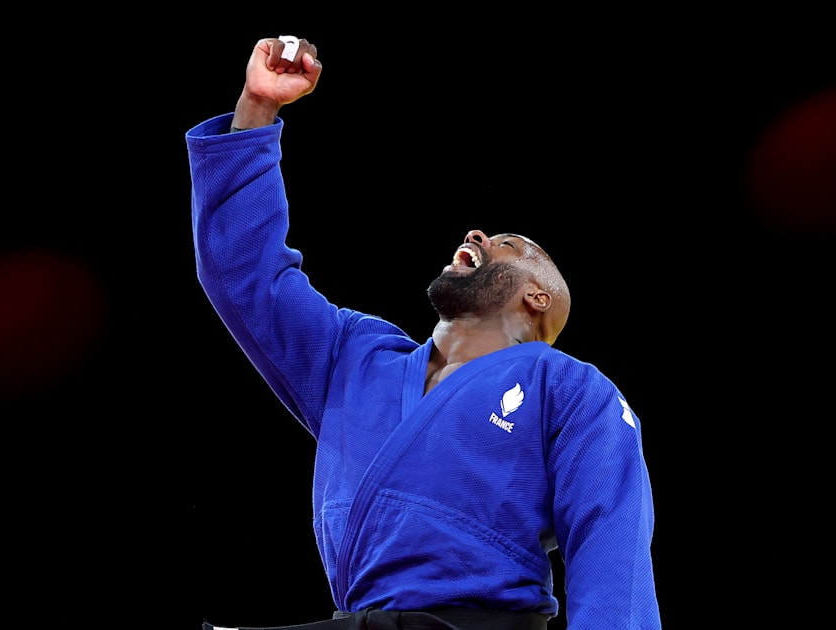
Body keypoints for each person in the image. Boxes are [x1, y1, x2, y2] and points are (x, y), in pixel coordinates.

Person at [186, 35, 662, 630]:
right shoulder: (354, 358)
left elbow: (609, 542)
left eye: (511, 245)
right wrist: (257, 108)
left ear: (536, 298)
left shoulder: (568, 387)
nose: (481, 234)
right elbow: (244, 273)